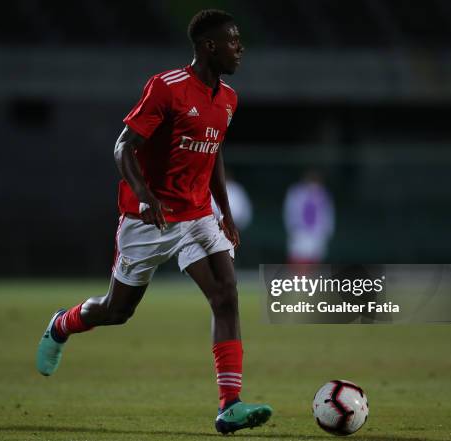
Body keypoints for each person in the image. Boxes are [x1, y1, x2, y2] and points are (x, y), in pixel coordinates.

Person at [36, 9, 272, 434]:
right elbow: (123, 146)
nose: (241, 47)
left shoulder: (229, 99)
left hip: (197, 215)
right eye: (233, 40)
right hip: (148, 219)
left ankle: (229, 405)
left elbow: (213, 151)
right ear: (208, 46)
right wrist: (145, 197)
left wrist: (227, 214)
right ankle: (62, 324)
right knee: (117, 310)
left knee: (226, 295)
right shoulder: (166, 88)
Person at [283, 171, 335, 264]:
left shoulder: (324, 194)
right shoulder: (296, 192)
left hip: (317, 234)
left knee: (313, 261)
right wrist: (294, 228)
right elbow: (290, 212)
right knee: (297, 259)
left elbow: (328, 215)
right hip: (300, 232)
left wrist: (326, 232)